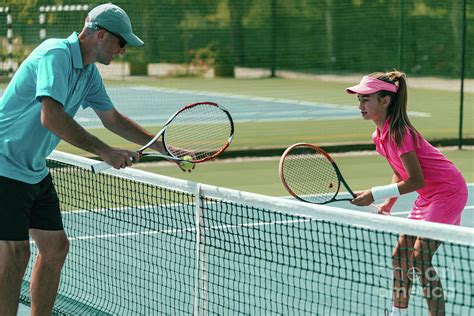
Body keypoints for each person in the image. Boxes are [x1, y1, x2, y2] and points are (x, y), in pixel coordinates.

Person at [0, 3, 189, 315]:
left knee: (55, 248)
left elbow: (112, 118)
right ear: (101, 35)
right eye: (121, 43)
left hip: (33, 170)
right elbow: (52, 117)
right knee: (15, 253)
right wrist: (106, 151)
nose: (123, 51)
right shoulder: (55, 54)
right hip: (5, 166)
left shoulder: (87, 73)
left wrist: (163, 148)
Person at [346, 71, 468, 316]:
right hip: (427, 195)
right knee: (399, 256)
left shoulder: (400, 134)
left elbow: (415, 180)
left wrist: (375, 193)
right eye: (359, 99)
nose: (360, 105)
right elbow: (399, 172)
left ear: (385, 101)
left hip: (447, 191)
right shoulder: (379, 136)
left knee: (420, 259)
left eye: (366, 99)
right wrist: (388, 203)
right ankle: (397, 313)